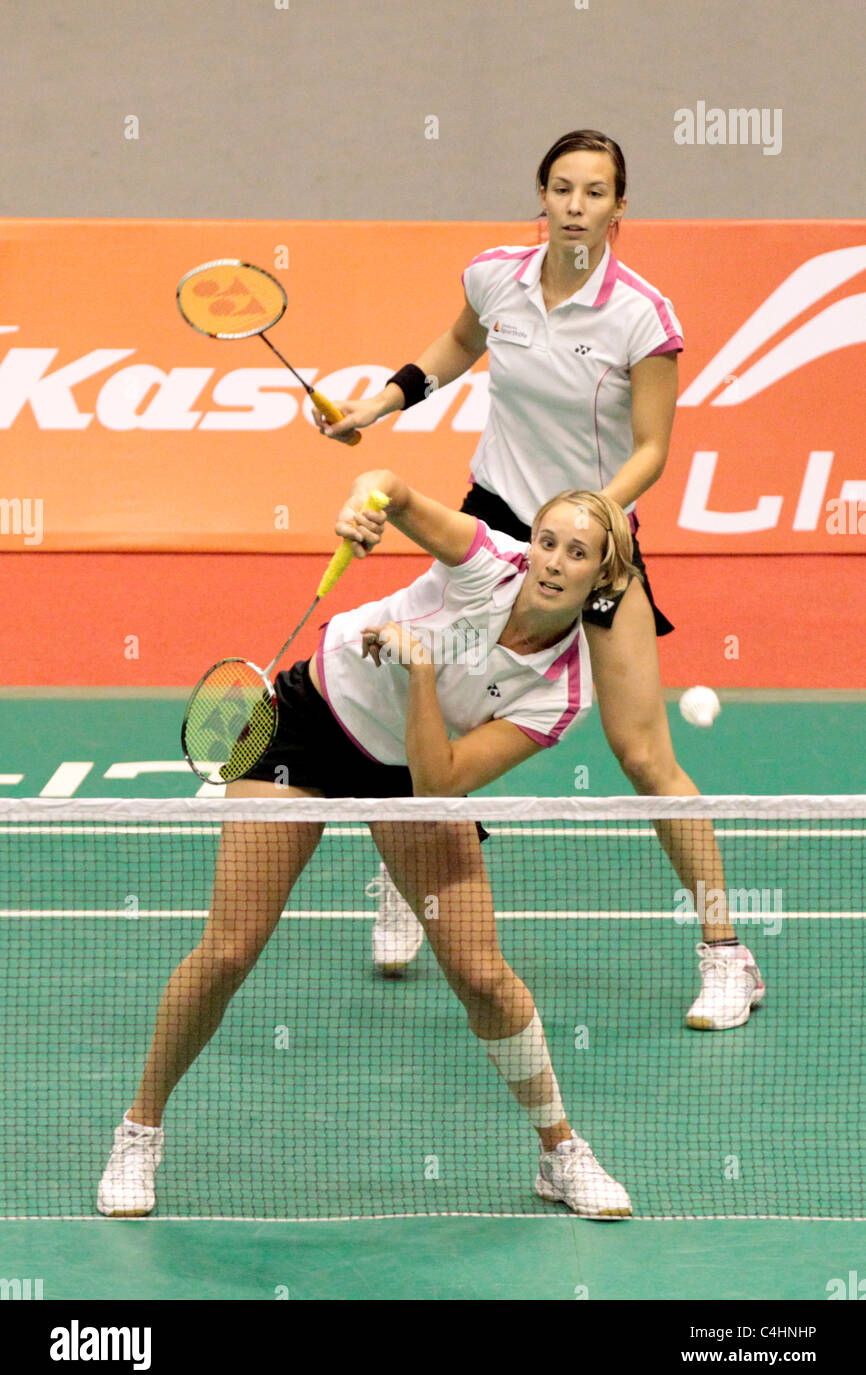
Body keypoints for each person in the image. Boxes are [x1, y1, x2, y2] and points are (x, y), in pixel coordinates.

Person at [313, 128, 764, 1031]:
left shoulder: (643, 317)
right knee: (440, 703)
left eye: (595, 193)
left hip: (590, 543)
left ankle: (727, 953)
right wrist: (379, 403)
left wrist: (589, 524)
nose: (575, 206)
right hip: (494, 521)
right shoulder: (496, 276)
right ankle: (411, 877)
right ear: (542, 195)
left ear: (619, 207)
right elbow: (455, 344)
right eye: (561, 188)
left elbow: (652, 452)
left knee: (643, 754)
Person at [98, 470, 638, 1221]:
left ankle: (560, 1152)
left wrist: (420, 668)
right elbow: (396, 491)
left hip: (411, 770)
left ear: (604, 576)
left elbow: (439, 778)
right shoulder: (485, 558)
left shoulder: (564, 690)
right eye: (547, 540)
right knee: (228, 950)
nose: (551, 561)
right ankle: (138, 1132)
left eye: (576, 554)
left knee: (481, 973)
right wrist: (365, 504)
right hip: (312, 721)